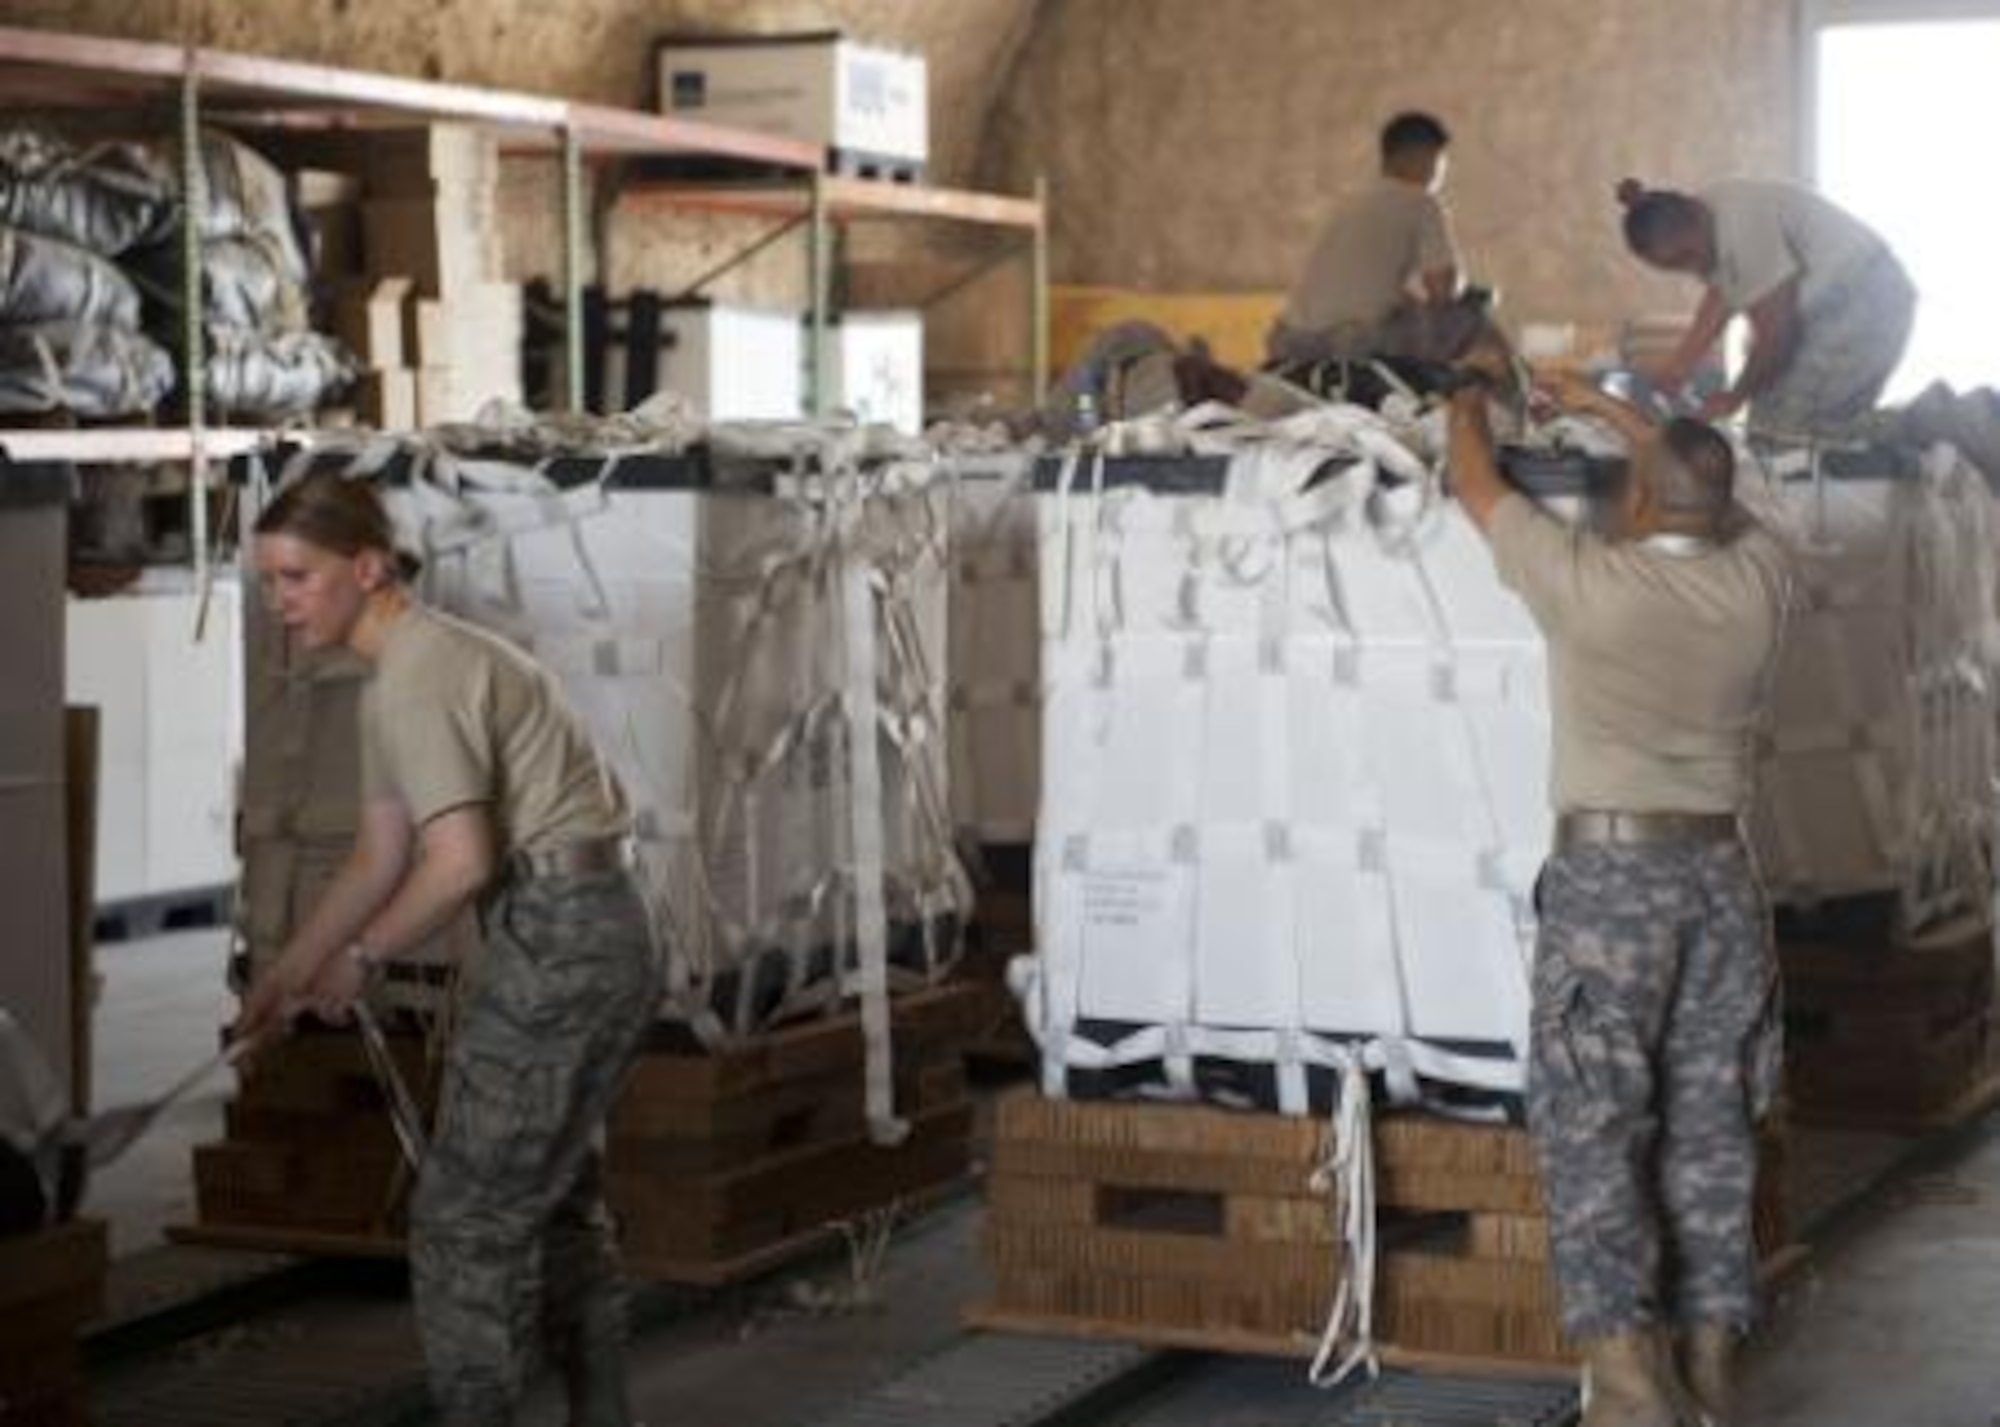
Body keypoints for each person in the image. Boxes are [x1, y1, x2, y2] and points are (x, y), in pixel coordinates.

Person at [234, 472, 663, 1427]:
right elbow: (377, 855)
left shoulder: (420, 678)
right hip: (581, 928)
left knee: (464, 1223)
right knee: (552, 1207)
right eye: (267, 583)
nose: (280, 603)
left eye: (296, 577)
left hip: (564, 941)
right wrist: (285, 975)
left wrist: (365, 961)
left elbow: (458, 860)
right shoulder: (401, 674)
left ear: (369, 566)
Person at [1446, 365, 1791, 1427]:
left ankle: (1628, 1378)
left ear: (1637, 499)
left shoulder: (1588, 585)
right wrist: (1614, 412)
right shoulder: (1761, 578)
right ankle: (1710, 1355)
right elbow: (1714, 485)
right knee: (1710, 1121)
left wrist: (1464, 404)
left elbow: (1471, 483)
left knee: (1593, 1125)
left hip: (1608, 890)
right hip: (1722, 889)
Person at [1617, 177, 1916, 438]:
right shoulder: (1706, 217)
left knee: (1794, 434)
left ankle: (1931, 421)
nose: (1691, 267)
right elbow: (1721, 293)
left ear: (1695, 215)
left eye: (1687, 256)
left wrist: (1735, 396)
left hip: (1866, 297)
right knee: (1765, 434)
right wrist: (1679, 364)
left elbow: (1777, 336)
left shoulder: (1742, 223)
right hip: (1827, 307)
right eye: (1674, 265)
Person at [1267, 110, 1494, 368]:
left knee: (1407, 311)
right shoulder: (1420, 202)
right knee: (1471, 312)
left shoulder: (1349, 203)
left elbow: (1355, 285)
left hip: (1289, 341)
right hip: (1348, 343)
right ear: (1426, 156)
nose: (1442, 170)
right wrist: (1463, 289)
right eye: (1442, 160)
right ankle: (1449, 392)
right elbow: (1443, 290)